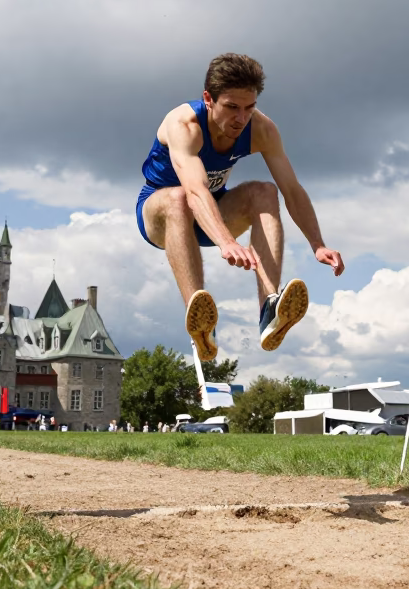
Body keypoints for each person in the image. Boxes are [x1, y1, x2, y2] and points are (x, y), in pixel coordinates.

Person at [137, 53, 344, 360]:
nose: (240, 118)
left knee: (265, 191)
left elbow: (293, 190)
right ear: (209, 99)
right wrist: (226, 241)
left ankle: (269, 308)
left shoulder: (261, 130)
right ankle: (200, 323)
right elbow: (194, 192)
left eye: (249, 108)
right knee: (179, 197)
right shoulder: (185, 125)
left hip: (216, 210)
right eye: (232, 107)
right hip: (161, 215)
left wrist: (317, 243)